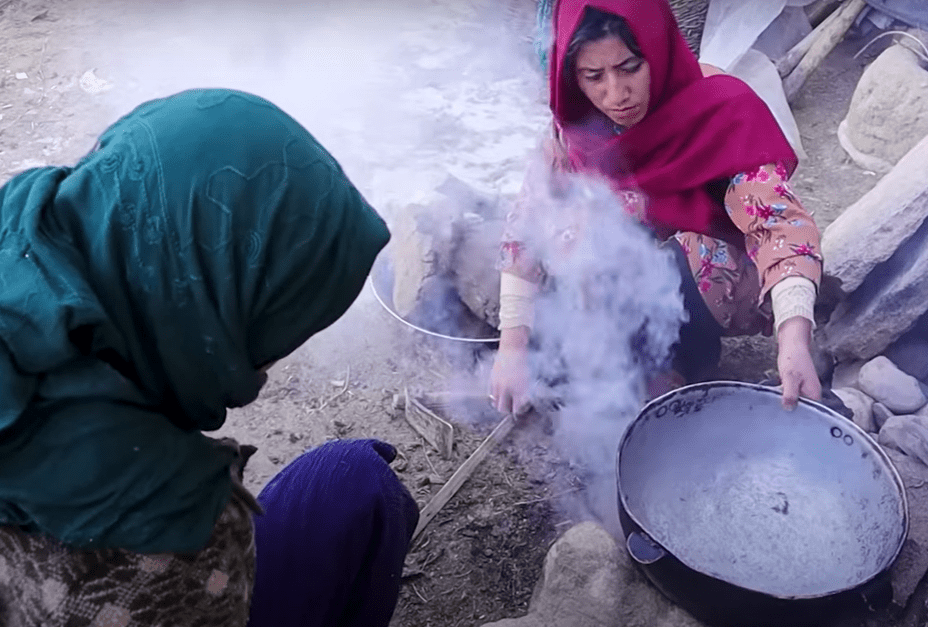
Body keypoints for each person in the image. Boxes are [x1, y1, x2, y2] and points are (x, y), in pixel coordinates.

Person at [0, 88, 417, 627]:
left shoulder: (20, 238)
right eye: (271, 332)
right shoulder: (174, 531)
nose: (264, 373)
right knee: (354, 483)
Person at [490, 0, 824, 414]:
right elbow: (527, 225)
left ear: (658, 48)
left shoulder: (721, 110)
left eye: (630, 67)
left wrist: (794, 341)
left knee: (681, 254)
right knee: (573, 232)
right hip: (626, 276)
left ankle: (684, 359)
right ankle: (624, 354)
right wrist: (512, 347)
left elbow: (780, 226)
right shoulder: (574, 126)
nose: (616, 94)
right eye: (593, 76)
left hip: (709, 276)